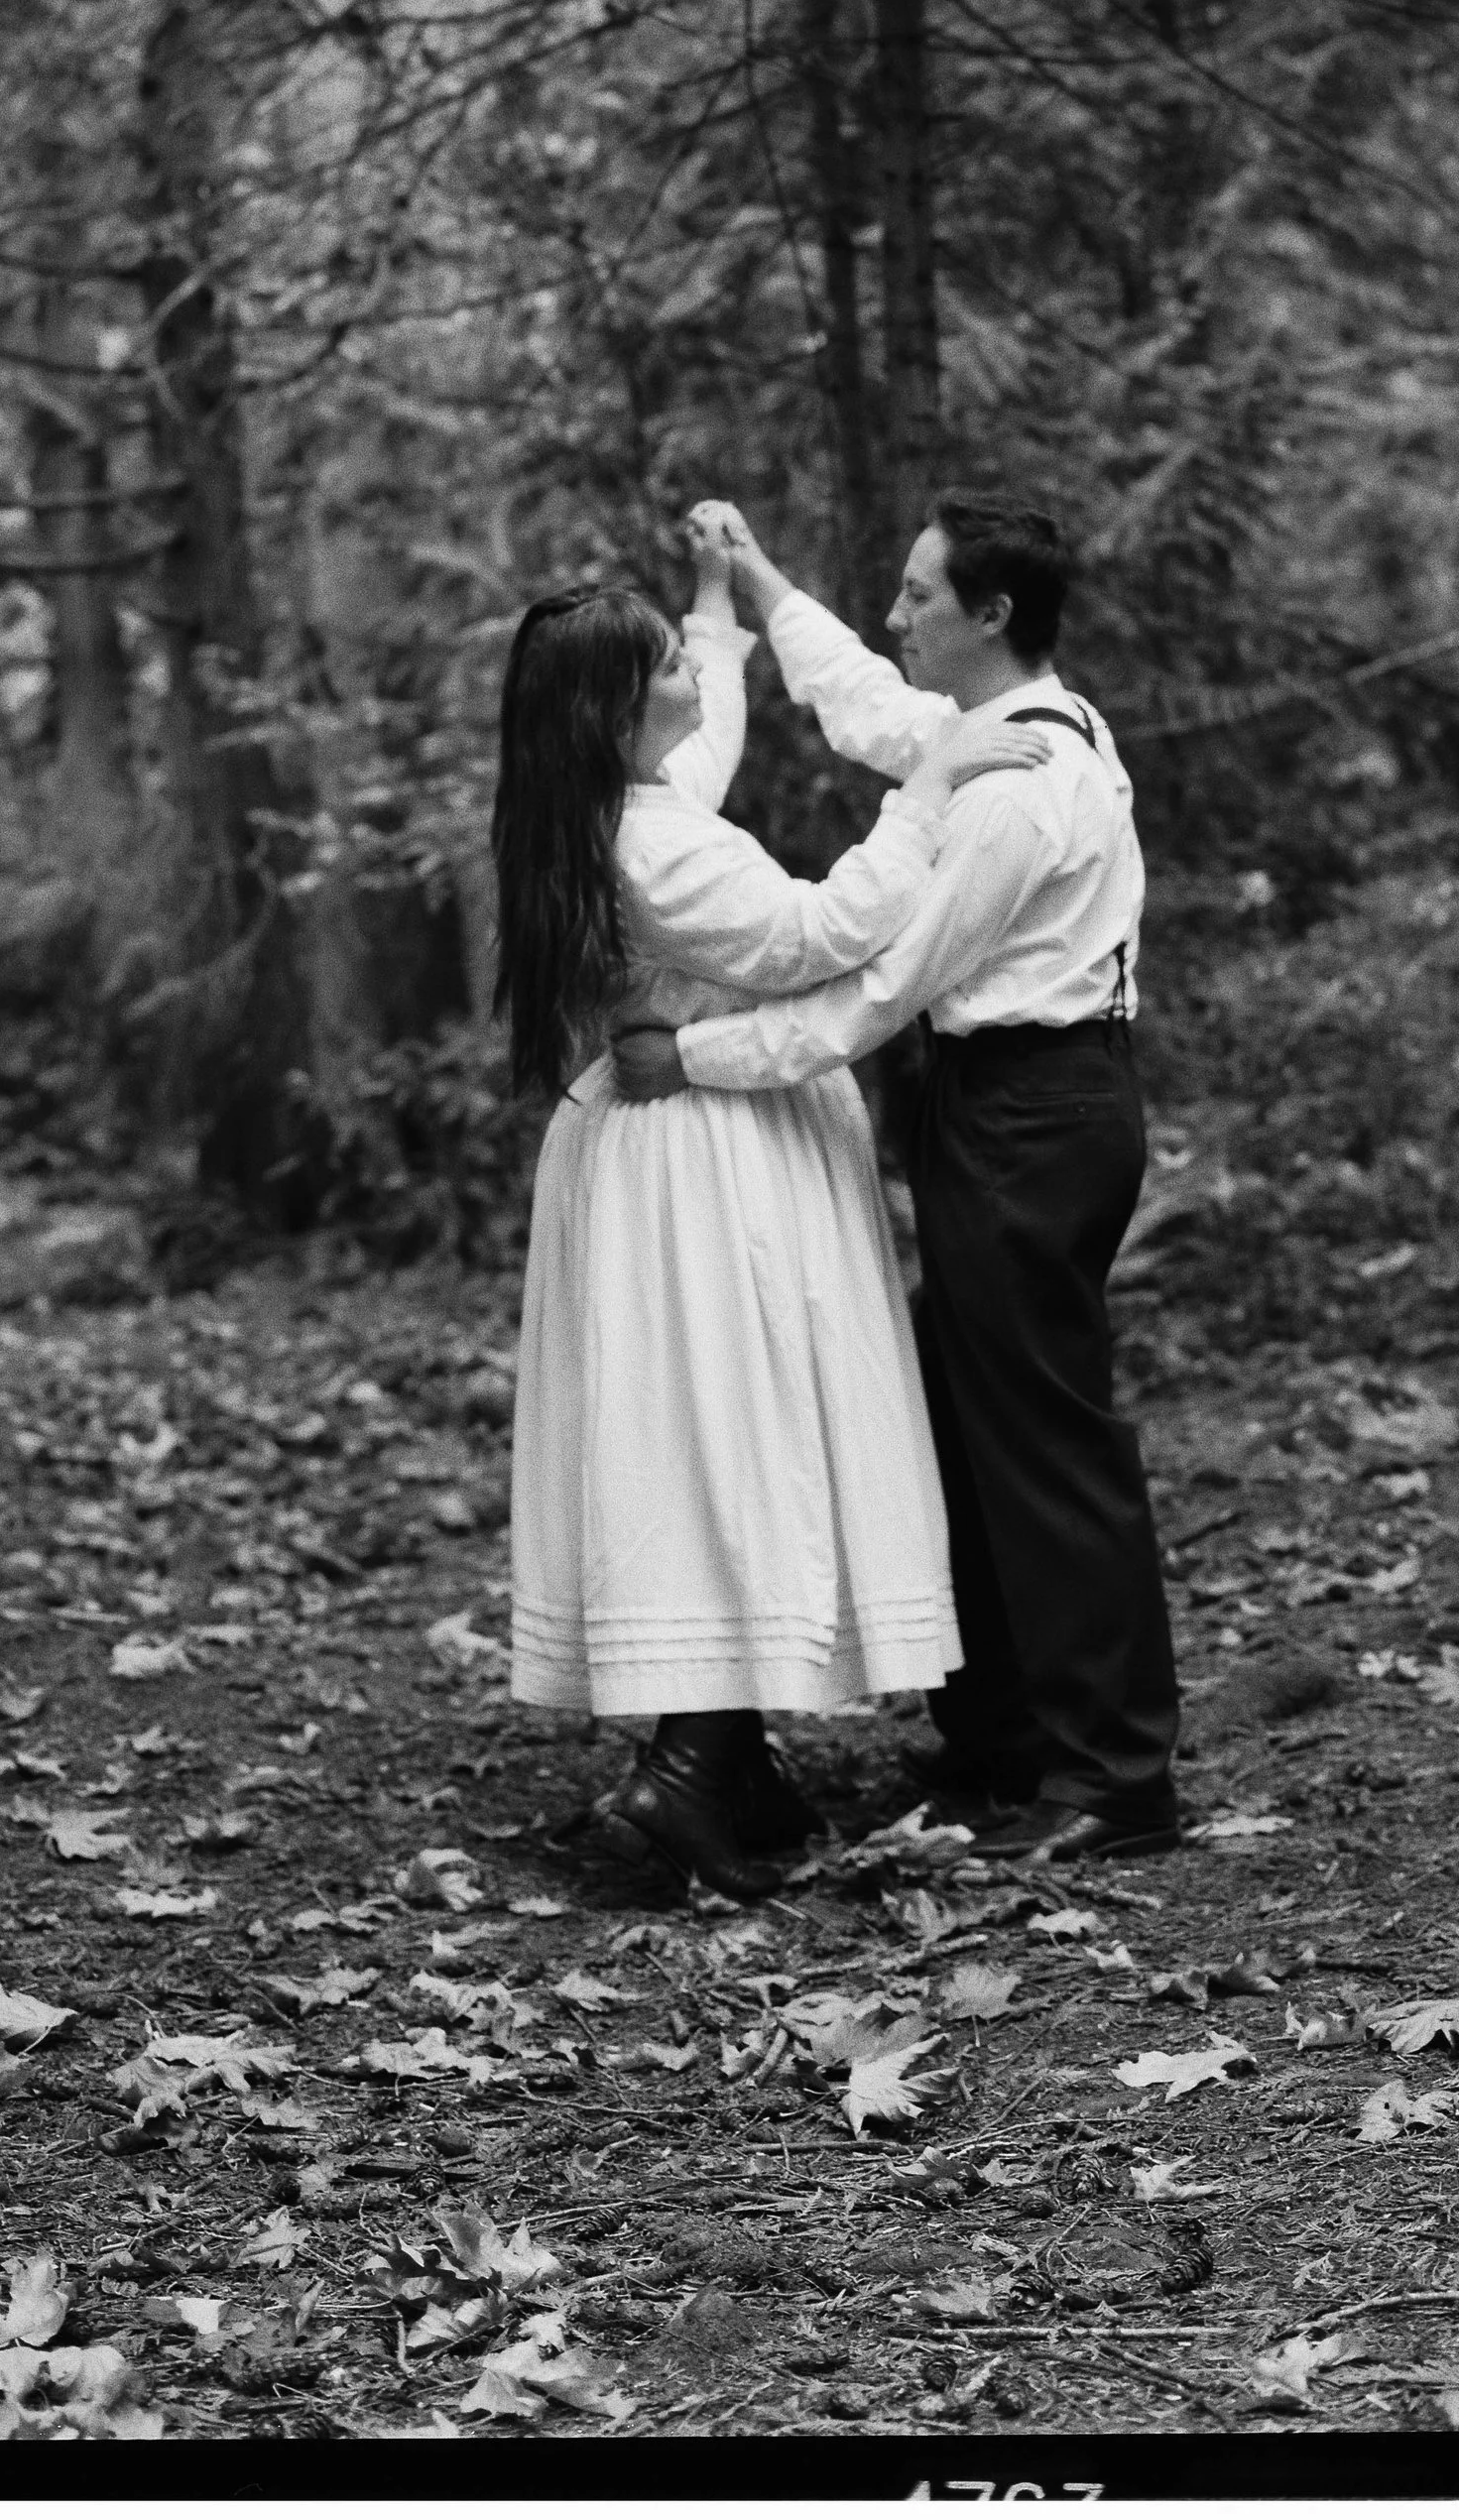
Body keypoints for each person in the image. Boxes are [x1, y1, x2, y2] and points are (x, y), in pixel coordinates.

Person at [612, 493, 1180, 1864]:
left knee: (1046, 1438)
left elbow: (869, 992)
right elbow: (866, 706)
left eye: (921, 593)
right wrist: (753, 584)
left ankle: (1115, 1772)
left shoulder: (1018, 789)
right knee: (974, 1419)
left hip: (1040, 1109)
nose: (895, 611)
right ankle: (999, 1735)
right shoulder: (992, 728)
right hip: (997, 1106)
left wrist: (696, 1054)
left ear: (990, 616)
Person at [491, 512, 1051, 1901]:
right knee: (725, 1426)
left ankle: (722, 1755)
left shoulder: (622, 803)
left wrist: (718, 599)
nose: (689, 671)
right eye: (664, 664)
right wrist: (930, 780)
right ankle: (693, 1763)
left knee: (708, 1427)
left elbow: (710, 725)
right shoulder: (656, 847)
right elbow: (817, 932)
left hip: (676, 1138)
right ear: (618, 711)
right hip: (708, 1160)